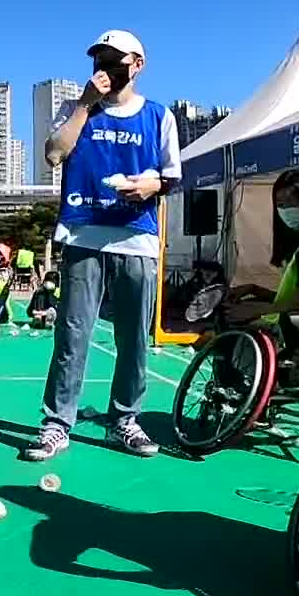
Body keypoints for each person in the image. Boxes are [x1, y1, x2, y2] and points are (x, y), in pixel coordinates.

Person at [26, 28, 181, 461]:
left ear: (137, 64)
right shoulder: (77, 108)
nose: (104, 67)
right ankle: (56, 425)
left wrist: (150, 185)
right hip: (82, 231)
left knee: (133, 338)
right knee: (72, 333)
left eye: (114, 59)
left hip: (136, 236)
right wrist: (83, 105)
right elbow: (54, 153)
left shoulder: (158, 116)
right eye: (98, 59)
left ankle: (125, 420)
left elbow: (172, 174)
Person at [218, 168, 299, 326]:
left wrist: (258, 310)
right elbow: (291, 299)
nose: (286, 210)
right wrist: (254, 289)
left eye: (292, 203)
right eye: (281, 204)